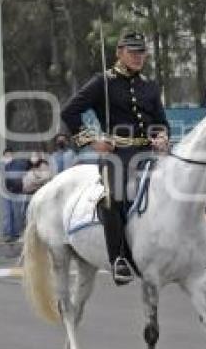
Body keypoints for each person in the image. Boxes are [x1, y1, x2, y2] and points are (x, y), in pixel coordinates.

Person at [61, 31, 170, 285]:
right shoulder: (103, 82)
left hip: (149, 153)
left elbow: (161, 122)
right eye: (132, 51)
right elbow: (69, 112)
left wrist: (162, 136)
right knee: (113, 196)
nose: (137, 56)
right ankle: (119, 258)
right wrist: (92, 140)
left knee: (188, 184)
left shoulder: (150, 86)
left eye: (141, 52)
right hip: (117, 155)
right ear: (119, 52)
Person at [0, 148, 30, 242]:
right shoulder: (3, 165)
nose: (8, 157)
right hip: (6, 192)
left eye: (9, 155)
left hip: (17, 192)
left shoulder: (19, 164)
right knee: (7, 214)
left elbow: (27, 167)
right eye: (6, 155)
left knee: (17, 213)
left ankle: (17, 233)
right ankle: (8, 234)